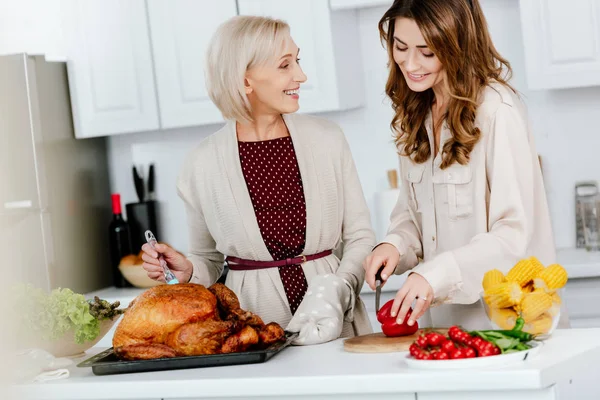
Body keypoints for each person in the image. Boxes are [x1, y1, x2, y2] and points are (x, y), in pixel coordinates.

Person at [141, 15, 375, 344]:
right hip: (253, 332)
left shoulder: (328, 139)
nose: (301, 75)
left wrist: (338, 289)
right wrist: (189, 271)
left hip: (339, 321)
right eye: (285, 65)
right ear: (245, 80)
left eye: (298, 60)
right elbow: (208, 259)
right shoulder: (201, 164)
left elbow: (360, 238)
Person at [363, 0, 566, 330]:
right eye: (400, 47)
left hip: (506, 326)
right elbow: (413, 217)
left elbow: (512, 237)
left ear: (458, 45)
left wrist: (434, 275)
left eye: (426, 52)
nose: (410, 63)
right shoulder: (415, 113)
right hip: (440, 329)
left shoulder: (498, 111)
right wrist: (394, 246)